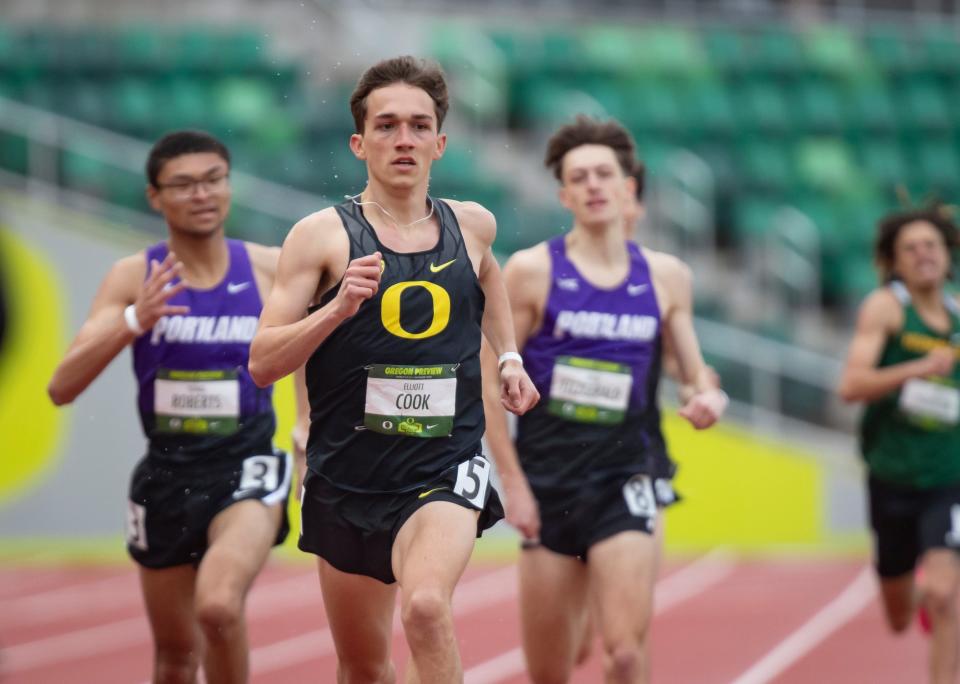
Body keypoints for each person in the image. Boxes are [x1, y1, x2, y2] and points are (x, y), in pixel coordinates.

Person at [248, 55, 539, 683]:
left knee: (428, 609)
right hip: (347, 475)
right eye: (385, 126)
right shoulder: (320, 237)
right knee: (362, 667)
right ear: (359, 143)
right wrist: (336, 310)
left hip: (443, 462)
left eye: (417, 125)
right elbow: (263, 362)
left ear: (440, 141)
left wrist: (510, 356)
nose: (402, 139)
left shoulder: (474, 225)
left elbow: (489, 283)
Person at [480, 116, 727, 684]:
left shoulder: (667, 278)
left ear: (627, 189)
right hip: (549, 486)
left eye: (604, 174)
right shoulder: (532, 272)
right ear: (564, 194)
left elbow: (694, 374)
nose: (593, 185)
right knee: (551, 670)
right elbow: (488, 384)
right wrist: (512, 483)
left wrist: (708, 398)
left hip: (626, 478)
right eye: (579, 178)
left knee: (622, 652)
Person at [47, 130, 299, 684]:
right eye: (183, 185)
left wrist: (305, 428)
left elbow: (308, 349)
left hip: (248, 468)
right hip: (166, 476)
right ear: (155, 197)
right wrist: (135, 319)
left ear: (230, 185)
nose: (201, 194)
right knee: (176, 655)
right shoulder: (133, 276)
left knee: (218, 607)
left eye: (213, 180)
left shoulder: (267, 267)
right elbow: (62, 386)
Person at [838, 205, 960, 683]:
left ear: (946, 256)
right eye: (910, 248)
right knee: (898, 616)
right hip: (891, 475)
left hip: (948, 477)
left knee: (947, 595)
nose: (923, 255)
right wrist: (916, 368)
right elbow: (851, 386)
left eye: (930, 245)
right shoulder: (887, 309)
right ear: (896, 263)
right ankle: (917, 595)